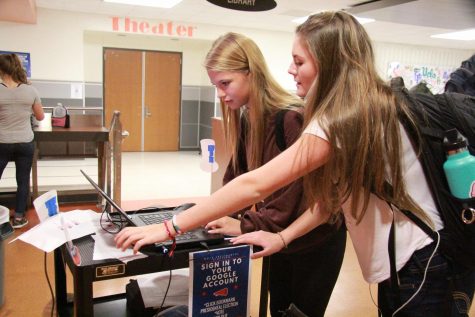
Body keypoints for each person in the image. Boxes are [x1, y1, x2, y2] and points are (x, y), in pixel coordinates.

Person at [116, 11, 474, 316]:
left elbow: (254, 184)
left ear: (330, 62)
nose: (290, 69)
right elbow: (332, 199)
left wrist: (168, 228)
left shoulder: (343, 117)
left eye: (299, 61)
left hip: (424, 262)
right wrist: (283, 238)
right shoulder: (368, 106)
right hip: (418, 261)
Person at [202, 32, 346, 316]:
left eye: (225, 83)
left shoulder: (291, 118)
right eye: (215, 85)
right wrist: (218, 213)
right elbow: (238, 179)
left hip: (315, 240)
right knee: (278, 309)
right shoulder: (248, 117)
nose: (220, 93)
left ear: (251, 73)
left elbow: (297, 197)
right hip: (280, 238)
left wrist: (245, 225)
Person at [0, 53, 44, 229]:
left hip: (2, 142)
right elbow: (40, 116)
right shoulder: (30, 90)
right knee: (23, 180)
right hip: (25, 142)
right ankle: (19, 217)